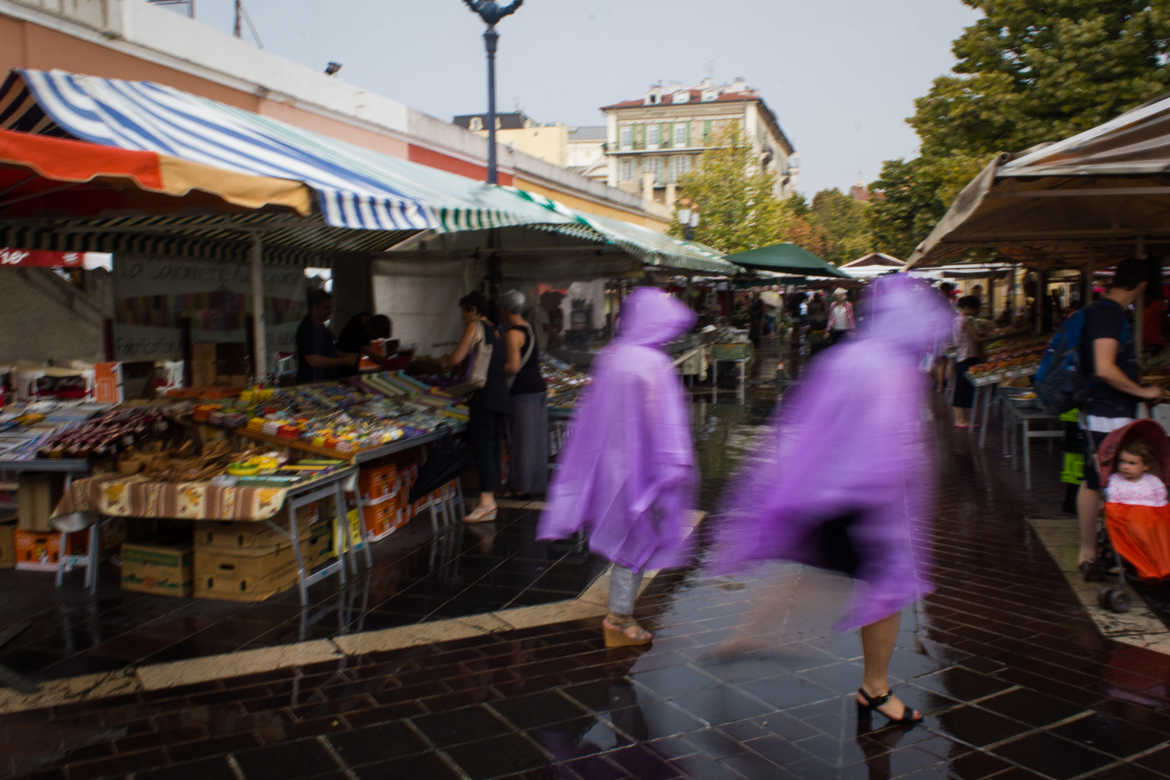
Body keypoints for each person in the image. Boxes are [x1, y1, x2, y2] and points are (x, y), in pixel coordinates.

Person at [712, 275, 955, 726]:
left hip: (823, 491)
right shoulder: (896, 370)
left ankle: (750, 635)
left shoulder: (845, 358)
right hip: (867, 502)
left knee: (820, 568)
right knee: (884, 590)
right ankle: (875, 689)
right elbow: (893, 447)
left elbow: (808, 420)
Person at [538, 288, 697, 647]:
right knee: (637, 539)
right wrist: (675, 463)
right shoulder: (652, 363)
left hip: (610, 465)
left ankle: (620, 615)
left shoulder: (613, 356)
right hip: (644, 469)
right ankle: (619, 618)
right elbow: (664, 421)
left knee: (627, 534)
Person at [1077, 258, 1165, 576]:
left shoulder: (1103, 312)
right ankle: (1095, 550)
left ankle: (1102, 548)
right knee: (1099, 479)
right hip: (1106, 412)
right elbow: (1104, 368)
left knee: (1096, 478)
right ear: (1142, 286)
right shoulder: (1108, 314)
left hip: (1104, 410)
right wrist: (1143, 392)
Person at [442, 291, 510, 524]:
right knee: (492, 449)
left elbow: (456, 359)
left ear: (472, 310)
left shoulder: (475, 327)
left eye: (464, 311)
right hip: (500, 395)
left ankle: (486, 503)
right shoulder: (498, 330)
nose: (462, 317)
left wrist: (443, 360)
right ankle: (489, 500)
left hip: (483, 395)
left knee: (483, 449)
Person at [499, 290, 549, 497]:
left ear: (505, 309)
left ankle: (521, 486)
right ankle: (536, 483)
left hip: (523, 391)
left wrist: (493, 368)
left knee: (522, 441)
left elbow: (513, 367)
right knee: (535, 439)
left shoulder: (513, 334)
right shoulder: (529, 328)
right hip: (538, 388)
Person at [295, 290, 359, 383]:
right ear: (314, 308)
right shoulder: (307, 328)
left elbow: (327, 349)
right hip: (312, 383)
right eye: (326, 308)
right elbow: (313, 360)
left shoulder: (321, 326)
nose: (330, 312)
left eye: (330, 308)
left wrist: (344, 355)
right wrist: (344, 360)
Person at [951, 296, 983, 429]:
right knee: (962, 389)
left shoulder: (957, 319)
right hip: (967, 356)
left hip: (961, 356)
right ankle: (960, 420)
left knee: (961, 388)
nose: (977, 311)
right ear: (968, 308)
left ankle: (961, 419)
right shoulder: (966, 320)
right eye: (976, 308)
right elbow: (976, 338)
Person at [1107, 439, 1167, 507]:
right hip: (1123, 515)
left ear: (1145, 466)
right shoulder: (1115, 480)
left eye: (1132, 463)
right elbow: (1113, 501)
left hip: (1149, 515)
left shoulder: (1153, 481)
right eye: (1122, 461)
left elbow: (1161, 500)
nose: (1125, 467)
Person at [336, 312, 394, 377]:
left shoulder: (366, 319)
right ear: (371, 329)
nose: (375, 339)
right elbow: (375, 356)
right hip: (341, 368)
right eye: (377, 336)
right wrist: (390, 364)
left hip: (350, 363)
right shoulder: (357, 331)